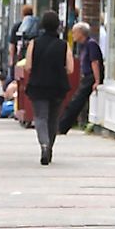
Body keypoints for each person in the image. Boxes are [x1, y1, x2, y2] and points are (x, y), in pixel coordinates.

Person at [23, 10, 73, 166]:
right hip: (58, 86)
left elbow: (28, 66)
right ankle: (50, 146)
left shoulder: (34, 43)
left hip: (38, 85)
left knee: (40, 117)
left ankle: (43, 145)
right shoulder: (64, 45)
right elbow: (70, 68)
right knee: (53, 118)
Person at [58, 21, 104, 135]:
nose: (72, 34)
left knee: (76, 101)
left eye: (74, 32)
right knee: (77, 101)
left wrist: (97, 80)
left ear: (81, 33)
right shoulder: (83, 45)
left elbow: (95, 62)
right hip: (87, 76)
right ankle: (63, 125)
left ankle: (62, 126)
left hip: (91, 77)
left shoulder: (91, 44)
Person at [8, 4, 37, 71]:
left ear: (22, 14)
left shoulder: (17, 26)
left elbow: (12, 44)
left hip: (19, 57)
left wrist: (11, 59)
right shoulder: (36, 26)